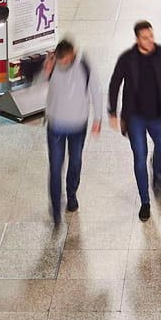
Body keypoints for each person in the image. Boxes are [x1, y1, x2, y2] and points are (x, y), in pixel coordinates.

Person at [107, 21, 161, 222]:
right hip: (135, 117)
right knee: (139, 157)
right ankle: (145, 201)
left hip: (158, 115)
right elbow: (115, 83)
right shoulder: (127, 59)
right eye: (145, 38)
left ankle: (156, 171)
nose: (150, 41)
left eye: (151, 36)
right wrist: (112, 111)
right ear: (137, 39)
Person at [43, 38, 99, 227]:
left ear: (73, 53)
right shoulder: (52, 64)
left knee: (75, 161)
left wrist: (98, 118)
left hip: (78, 125)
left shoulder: (84, 65)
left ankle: (72, 194)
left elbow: (96, 91)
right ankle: (56, 207)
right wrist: (46, 71)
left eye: (66, 59)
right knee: (56, 165)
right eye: (61, 60)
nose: (63, 63)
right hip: (56, 126)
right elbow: (37, 85)